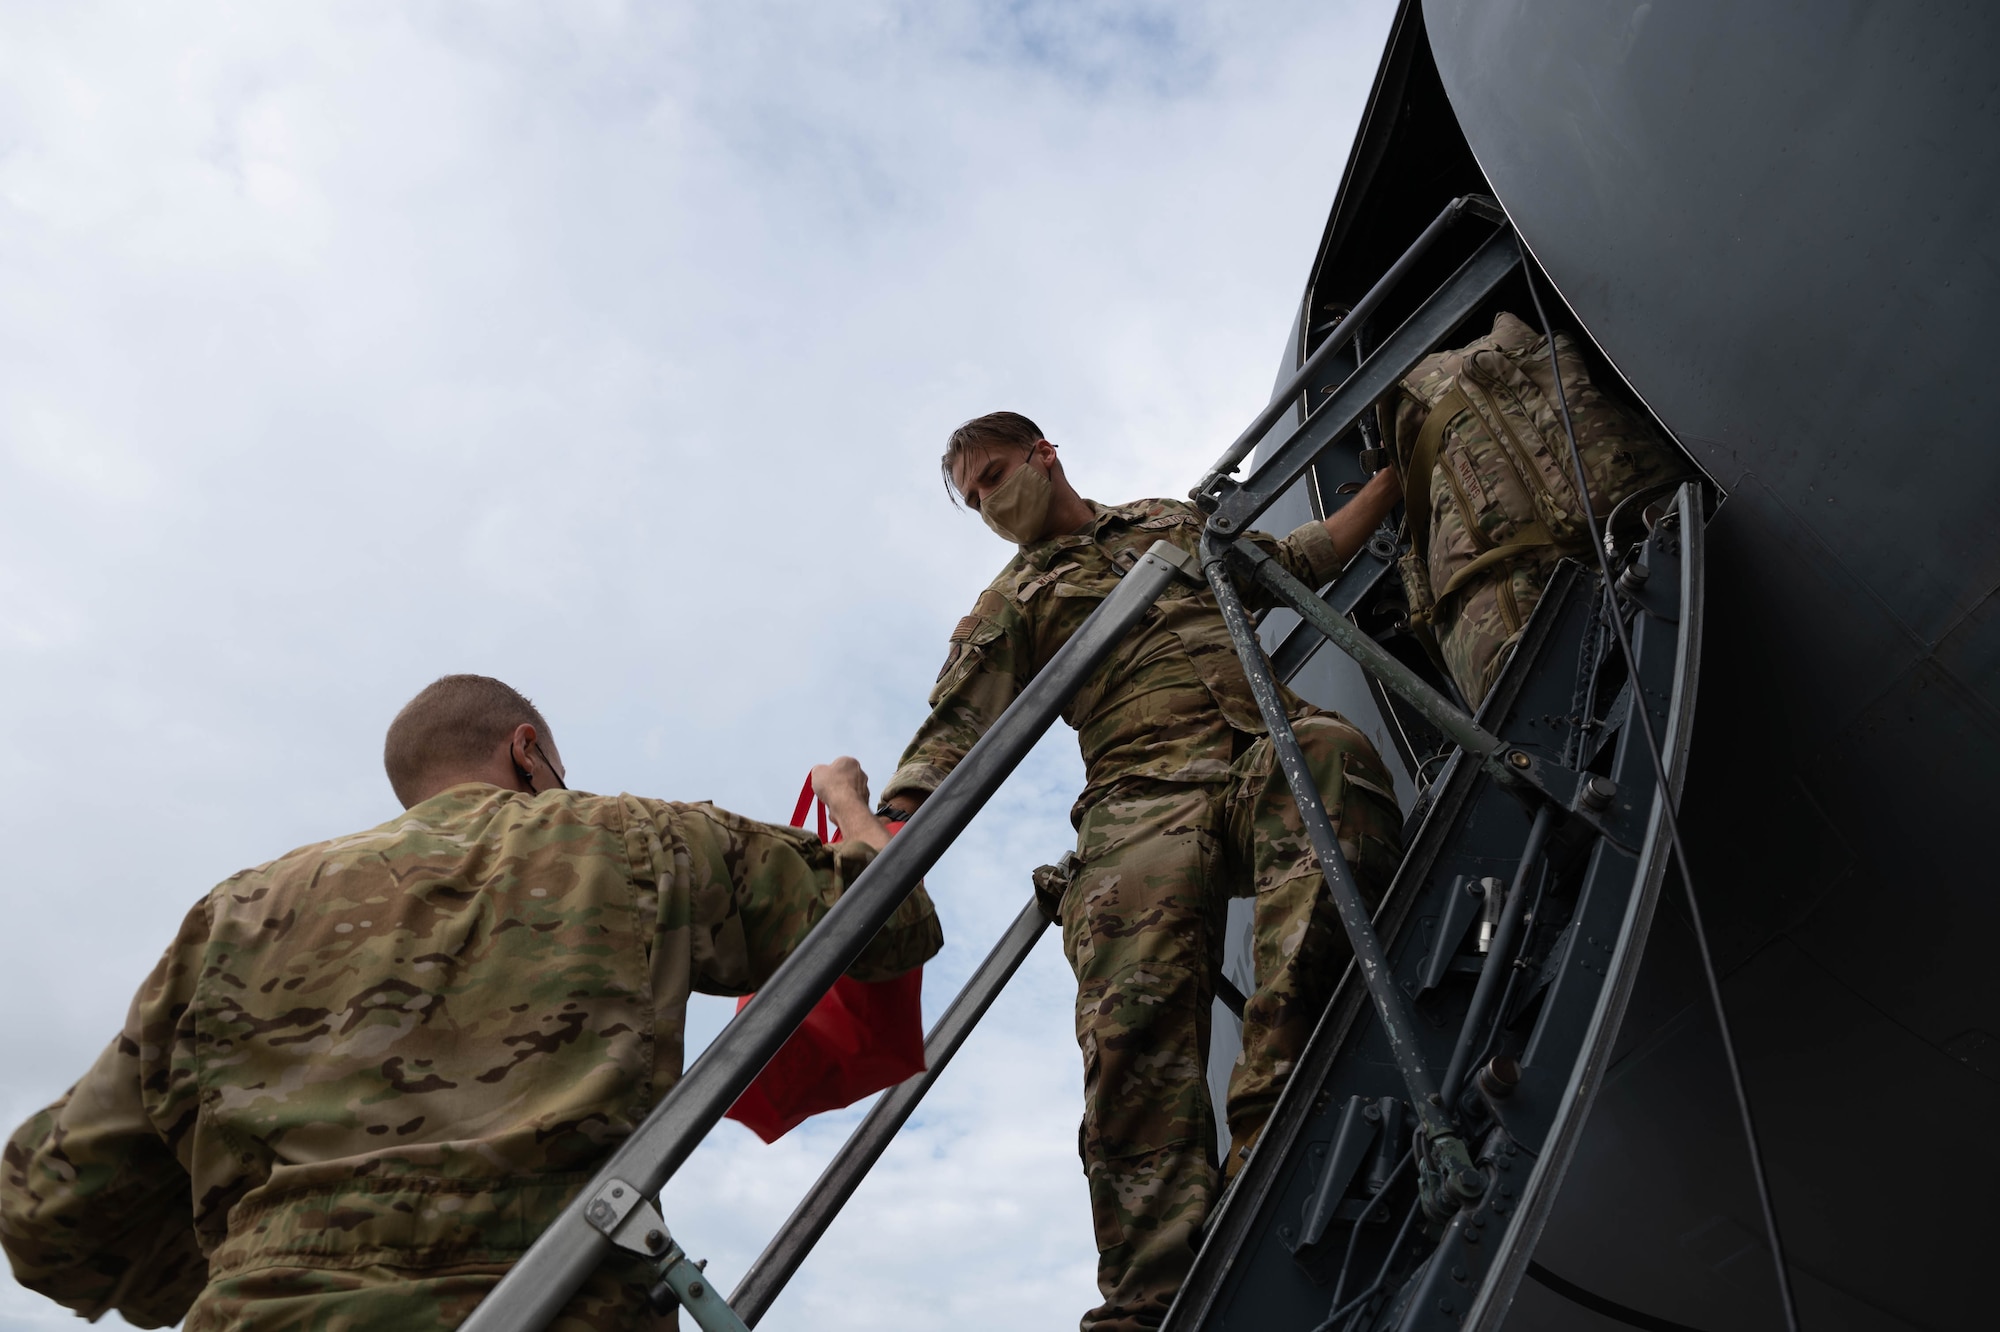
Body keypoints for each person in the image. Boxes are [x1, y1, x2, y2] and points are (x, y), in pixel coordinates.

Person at [0, 674, 940, 1332]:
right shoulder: (638, 840)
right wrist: (854, 809)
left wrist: (276, 1272)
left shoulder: (236, 913)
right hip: (564, 1307)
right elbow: (886, 928)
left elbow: (44, 1213)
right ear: (528, 751)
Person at [877, 412, 1406, 1332]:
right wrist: (887, 830)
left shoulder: (1169, 521)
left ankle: (1274, 1115)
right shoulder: (1014, 598)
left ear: (1045, 453)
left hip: (1254, 755)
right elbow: (954, 728)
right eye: (972, 501)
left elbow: (1295, 558)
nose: (989, 506)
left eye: (995, 477)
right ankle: (1146, 1298)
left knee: (1327, 753)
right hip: (1138, 802)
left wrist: (1394, 480)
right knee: (1131, 1031)